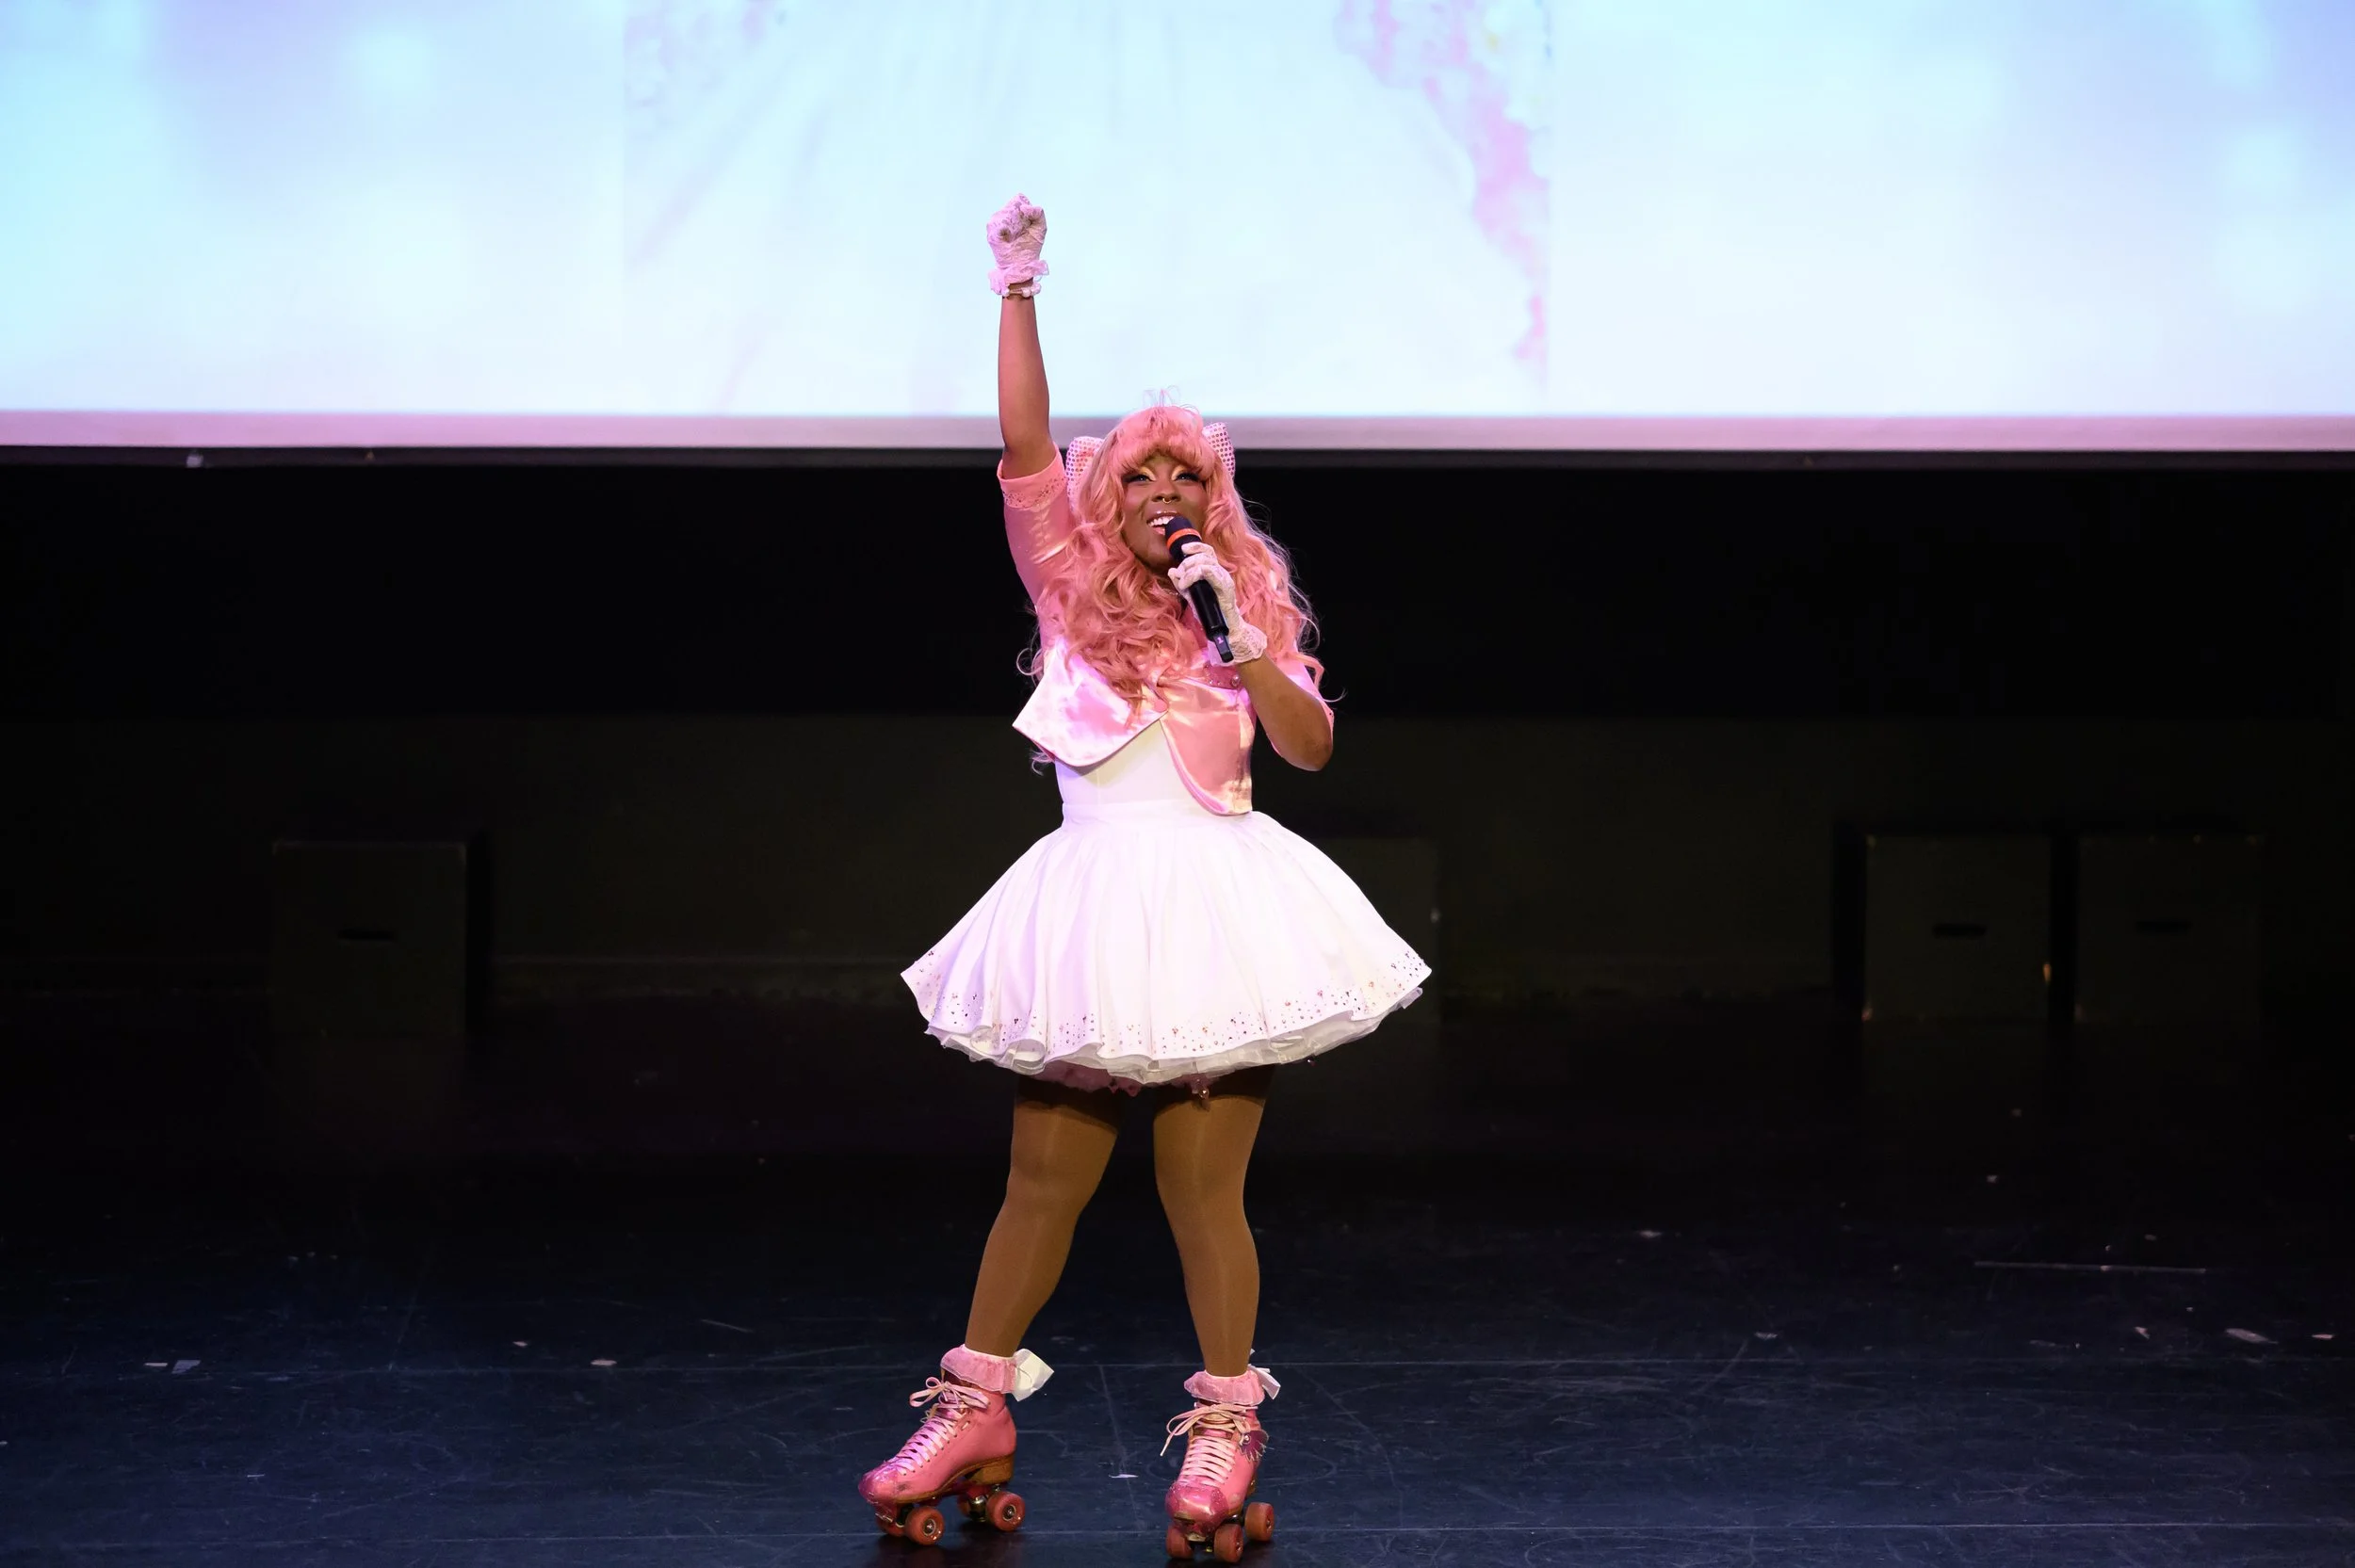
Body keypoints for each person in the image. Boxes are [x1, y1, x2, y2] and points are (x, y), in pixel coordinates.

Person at [855, 194, 1431, 1560]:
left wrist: (1242, 631)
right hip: (1095, 908)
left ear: (1215, 503)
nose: (1164, 500)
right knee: (1042, 1183)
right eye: (1141, 479)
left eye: (1189, 483)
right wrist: (1017, 286)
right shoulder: (1066, 584)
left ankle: (1227, 1430)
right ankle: (976, 1405)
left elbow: (1309, 748)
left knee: (1200, 1192)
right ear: (1107, 495)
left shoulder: (1246, 613)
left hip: (1224, 915)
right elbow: (1017, 445)